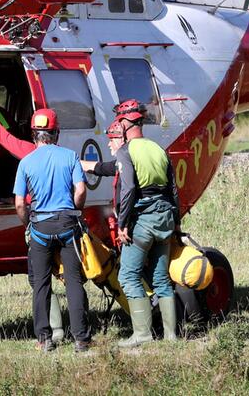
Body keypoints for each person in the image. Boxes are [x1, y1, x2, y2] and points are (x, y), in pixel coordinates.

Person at [83, 100, 180, 347]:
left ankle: (143, 335)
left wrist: (123, 224)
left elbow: (128, 189)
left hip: (142, 221)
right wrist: (175, 224)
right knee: (160, 279)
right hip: (165, 218)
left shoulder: (127, 151)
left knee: (127, 275)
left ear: (125, 124)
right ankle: (171, 337)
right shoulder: (158, 148)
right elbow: (173, 188)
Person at [13, 108, 91, 352]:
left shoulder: (25, 163)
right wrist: (75, 210)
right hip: (68, 225)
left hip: (40, 228)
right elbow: (80, 191)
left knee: (41, 284)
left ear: (34, 134)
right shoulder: (69, 157)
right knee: (73, 281)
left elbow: (18, 203)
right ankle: (81, 339)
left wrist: (28, 224)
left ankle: (45, 339)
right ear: (56, 133)